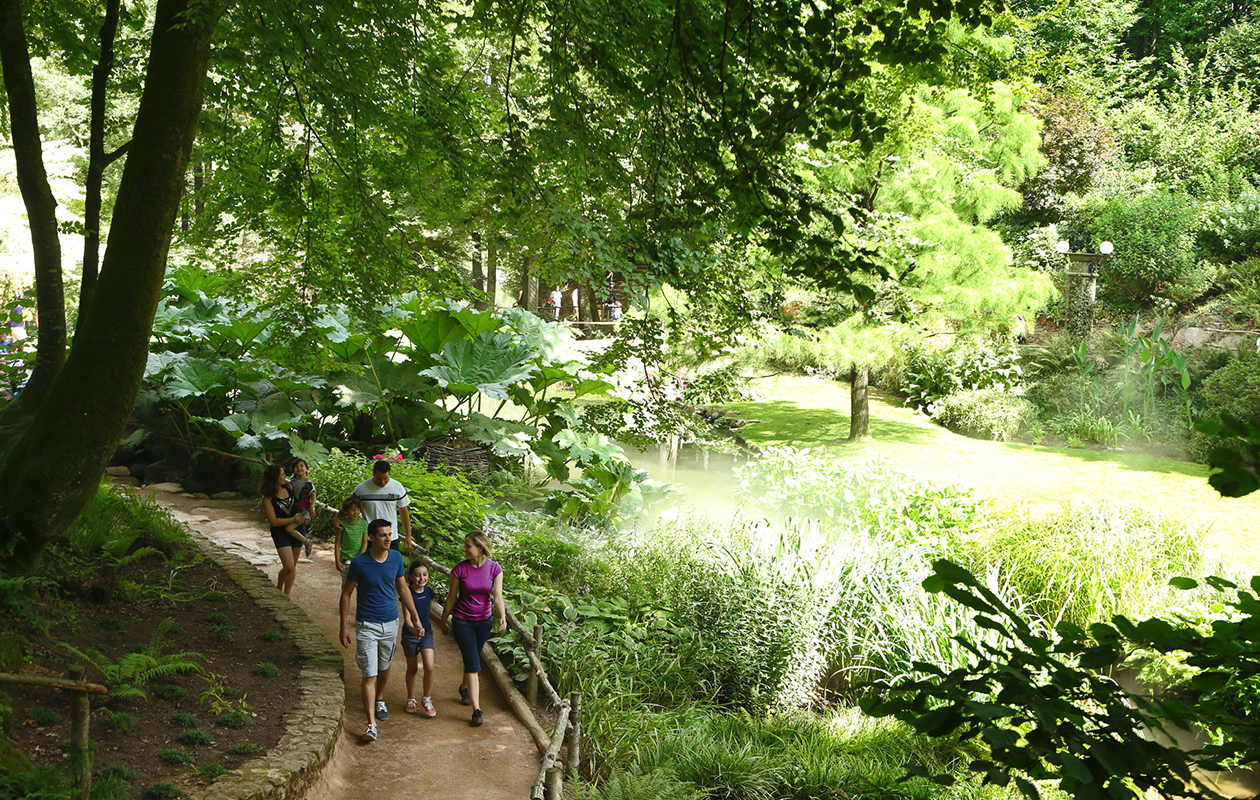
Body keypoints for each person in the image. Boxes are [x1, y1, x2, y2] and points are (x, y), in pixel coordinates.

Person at [339, 520, 421, 743]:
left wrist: (414, 617)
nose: (388, 538)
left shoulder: (395, 558)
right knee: (369, 673)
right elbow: (346, 593)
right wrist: (343, 626)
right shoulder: (359, 563)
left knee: (385, 666)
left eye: (389, 534)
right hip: (366, 625)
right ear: (371, 538)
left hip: (390, 624)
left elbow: (403, 588)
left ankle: (380, 699)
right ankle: (371, 724)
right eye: (383, 535)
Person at [441, 531, 506, 727]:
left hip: (484, 621)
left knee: (473, 658)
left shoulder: (495, 569)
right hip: (462, 621)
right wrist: (444, 619)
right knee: (472, 664)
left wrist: (502, 616)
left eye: (468, 546)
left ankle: (463, 687)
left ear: (480, 547)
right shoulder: (458, 570)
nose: (464, 549)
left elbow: (497, 596)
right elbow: (451, 597)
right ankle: (477, 710)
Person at [336, 459, 413, 551]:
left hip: (390, 537)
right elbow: (350, 506)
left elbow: (403, 511)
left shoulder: (397, 487)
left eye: (385, 478)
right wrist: (337, 518)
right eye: (379, 479)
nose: (382, 482)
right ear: (373, 474)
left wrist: (408, 535)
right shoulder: (362, 488)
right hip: (368, 537)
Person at [258, 463, 311, 596]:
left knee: (293, 567)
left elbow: (306, 494)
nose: (285, 476)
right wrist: (293, 519)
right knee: (288, 566)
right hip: (280, 532)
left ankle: (286, 596)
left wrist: (307, 513)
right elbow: (274, 521)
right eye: (282, 475)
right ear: (275, 478)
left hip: (297, 529)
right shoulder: (267, 498)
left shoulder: (290, 487)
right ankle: (279, 588)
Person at [402, 562, 445, 717]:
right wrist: (415, 630)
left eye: (425, 574)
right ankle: (410, 698)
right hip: (410, 635)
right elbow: (407, 618)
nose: (422, 578)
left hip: (427, 634)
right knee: (412, 669)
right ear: (411, 577)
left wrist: (442, 622)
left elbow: (428, 611)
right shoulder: (407, 593)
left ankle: (426, 699)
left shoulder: (428, 592)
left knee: (429, 666)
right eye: (418, 575)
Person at [288, 458, 317, 558]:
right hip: (295, 510)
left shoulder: (308, 483)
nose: (299, 468)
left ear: (307, 469)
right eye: (296, 466)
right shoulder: (293, 481)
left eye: (301, 466)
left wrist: (311, 508)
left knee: (289, 528)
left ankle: (307, 541)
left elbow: (313, 495)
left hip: (304, 511)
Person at [332, 497, 368, 577]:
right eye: (352, 510)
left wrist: (360, 558)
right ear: (345, 511)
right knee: (346, 583)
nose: (356, 512)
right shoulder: (342, 524)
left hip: (358, 558)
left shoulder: (364, 524)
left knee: (360, 583)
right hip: (345, 558)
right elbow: (337, 543)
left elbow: (365, 542)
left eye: (358, 509)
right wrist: (337, 560)